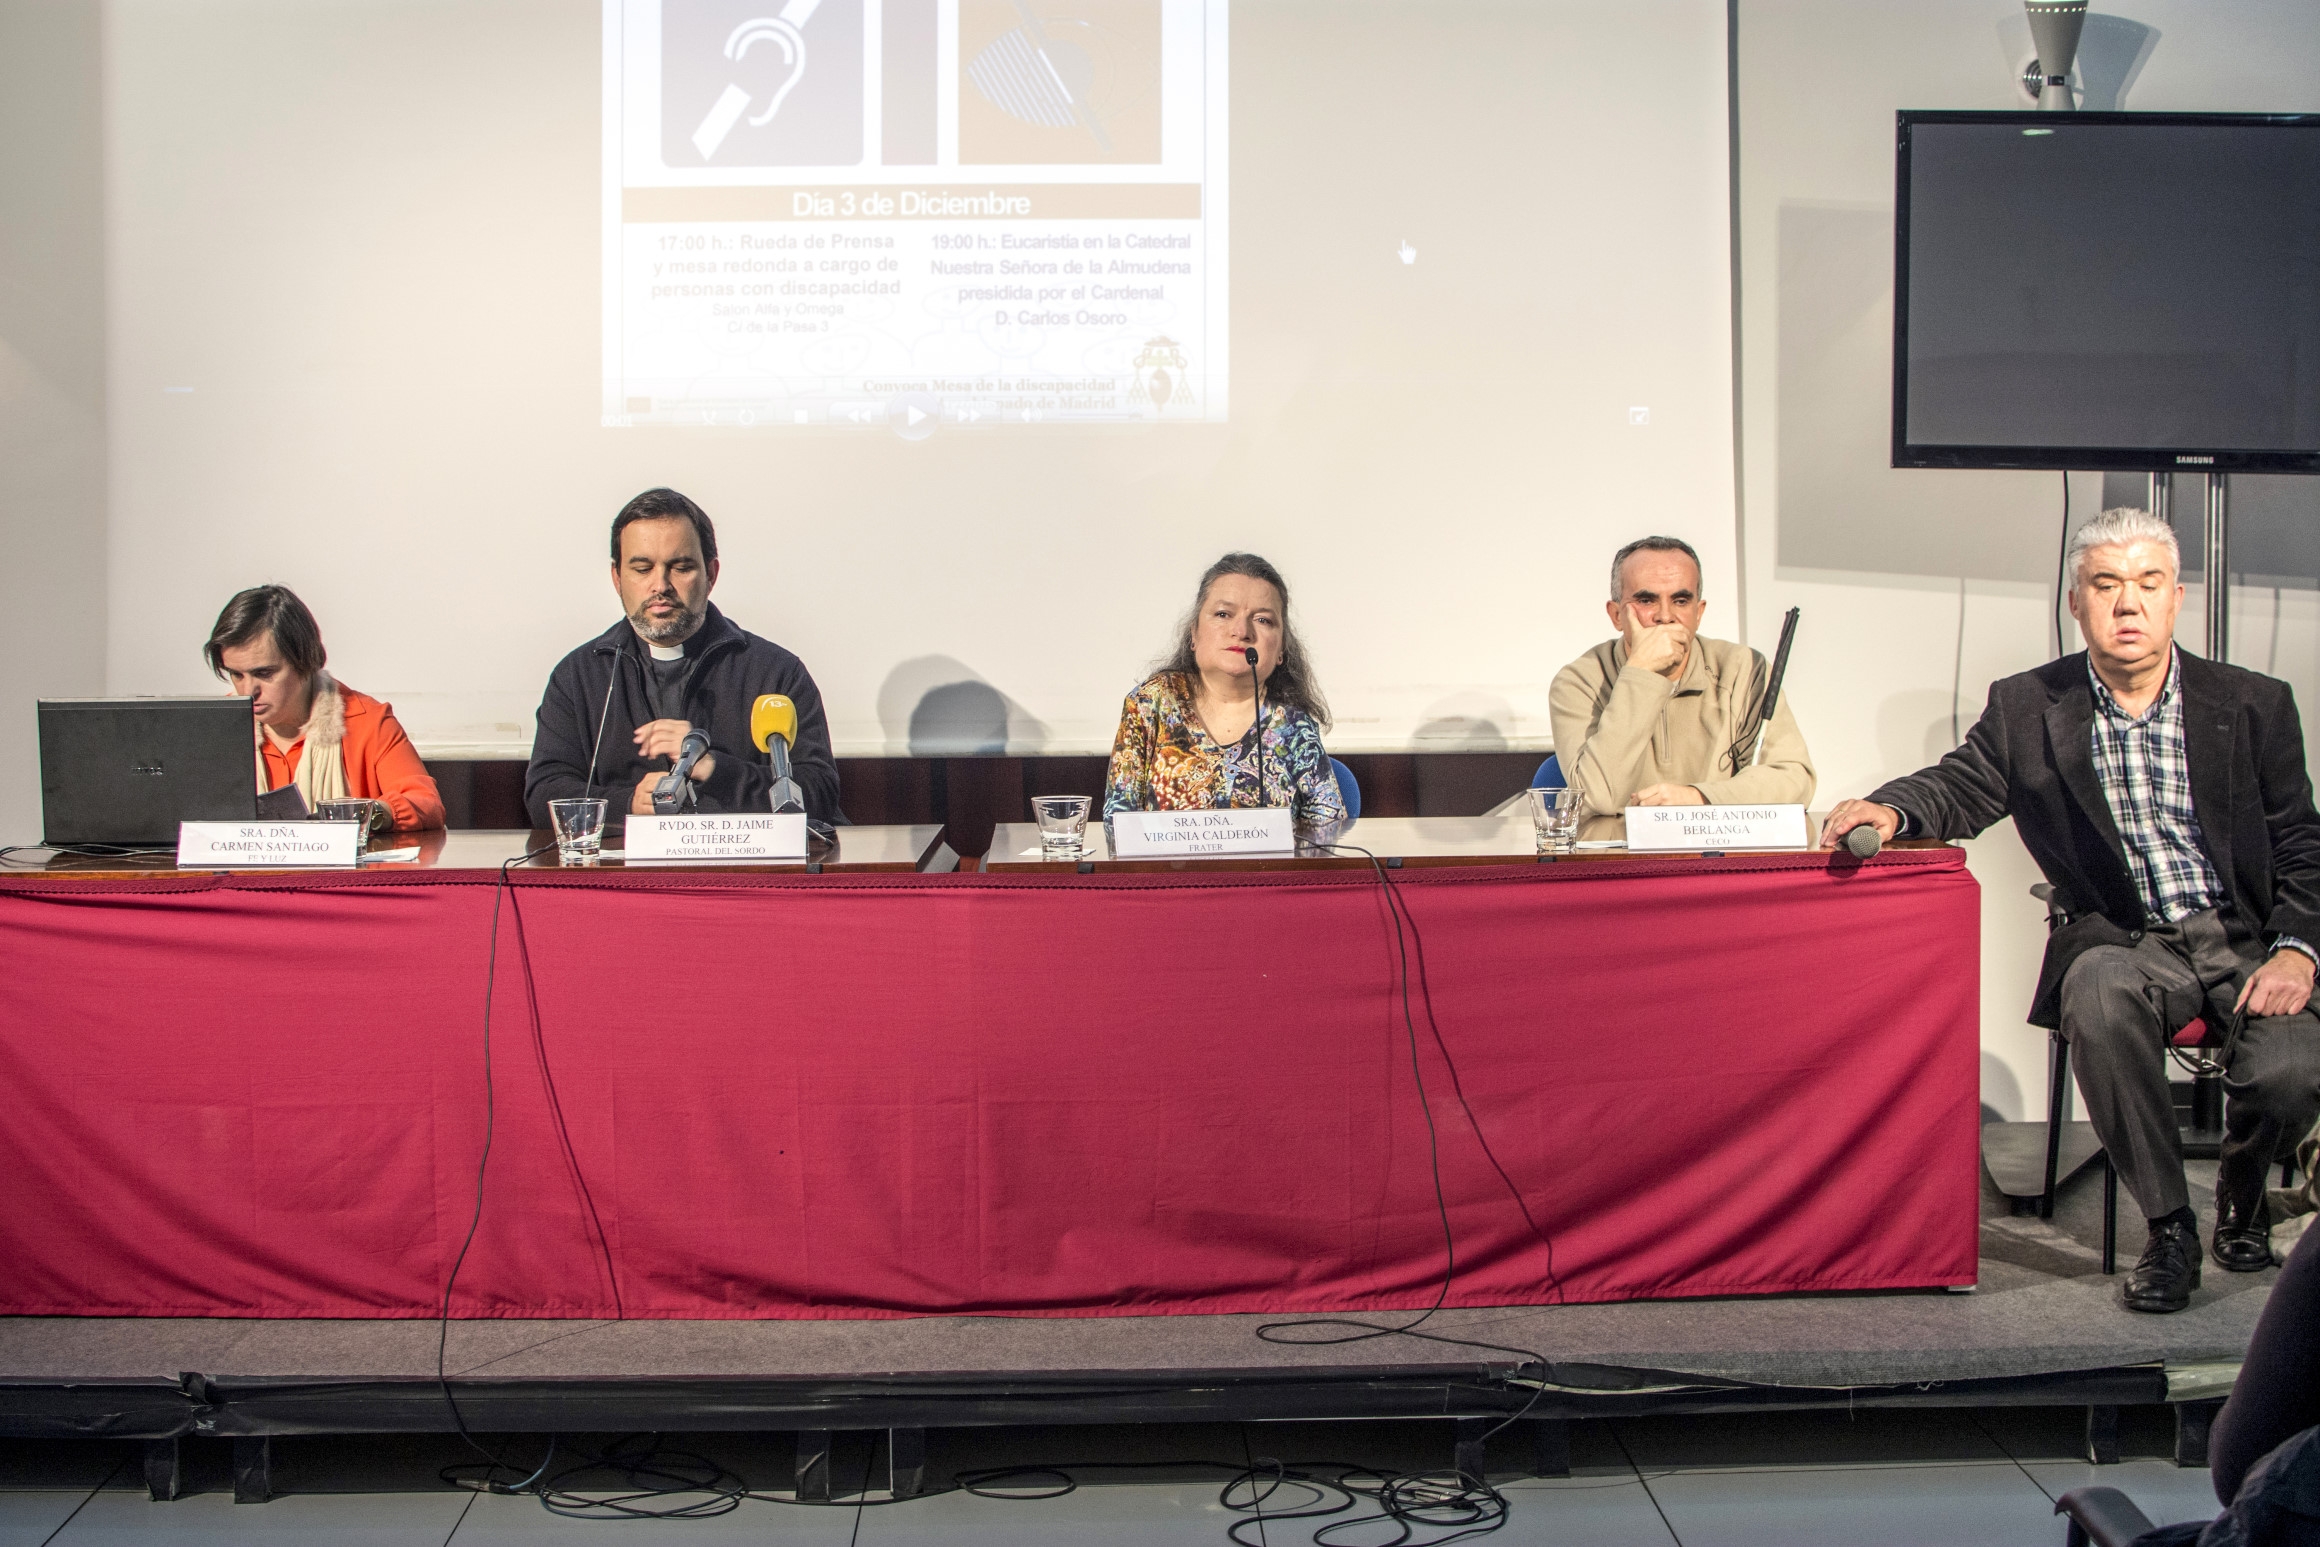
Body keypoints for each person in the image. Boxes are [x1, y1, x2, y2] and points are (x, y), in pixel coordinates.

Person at [1821, 507, 2320, 1315]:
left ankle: (2243, 1188)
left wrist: (2297, 949)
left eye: (2148, 584)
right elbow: (1959, 785)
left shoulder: (2254, 703)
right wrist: (1888, 809)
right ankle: (2170, 1228)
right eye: (2108, 584)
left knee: (2294, 1071)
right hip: (2128, 939)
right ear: (2075, 602)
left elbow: (2301, 842)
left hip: (2246, 937)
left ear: (2176, 598)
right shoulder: (2027, 706)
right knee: (2095, 991)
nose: (2129, 604)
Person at [525, 488, 841, 828]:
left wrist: (716, 769)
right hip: (624, 877)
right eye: (642, 568)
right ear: (617, 578)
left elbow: (819, 793)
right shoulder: (580, 675)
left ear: (711, 575)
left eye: (680, 567)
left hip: (743, 876)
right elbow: (544, 793)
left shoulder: (775, 671)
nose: (660, 585)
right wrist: (627, 804)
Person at [1548, 536, 1815, 839]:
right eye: (1646, 600)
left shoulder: (1742, 668)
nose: (1665, 615)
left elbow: (1794, 780)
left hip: (1718, 865)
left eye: (1680, 600)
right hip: (1621, 870)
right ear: (1616, 615)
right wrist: (1642, 672)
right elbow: (1601, 796)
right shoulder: (1578, 682)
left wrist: (1697, 798)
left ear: (1698, 612)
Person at [1103, 553, 1347, 827]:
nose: (1241, 631)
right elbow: (1118, 824)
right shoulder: (1151, 704)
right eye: (1223, 614)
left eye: (1263, 620)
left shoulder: (1293, 724)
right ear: (1194, 633)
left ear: (1281, 649)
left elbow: (1329, 828)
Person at [205, 585, 444, 831]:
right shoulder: (217, 729)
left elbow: (426, 804)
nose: (247, 692)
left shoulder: (367, 721)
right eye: (236, 674)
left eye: (264, 673)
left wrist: (363, 815)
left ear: (306, 661)